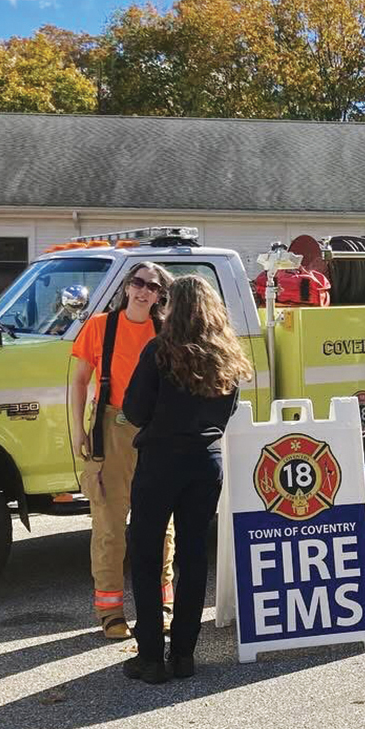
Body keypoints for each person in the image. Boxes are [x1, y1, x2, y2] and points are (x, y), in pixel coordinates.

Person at [121, 275, 252, 682]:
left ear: (173, 308)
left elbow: (136, 411)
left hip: (161, 460)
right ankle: (183, 654)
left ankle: (149, 657)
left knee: (145, 554)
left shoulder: (159, 351)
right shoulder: (225, 355)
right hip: (206, 461)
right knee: (193, 558)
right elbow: (230, 410)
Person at [69, 262, 176, 639]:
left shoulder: (165, 331)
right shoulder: (100, 326)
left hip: (155, 432)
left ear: (161, 295)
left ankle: (162, 607)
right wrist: (77, 432)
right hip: (110, 432)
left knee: (160, 528)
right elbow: (79, 380)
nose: (143, 291)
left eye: (152, 286)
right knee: (110, 527)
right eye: (137, 282)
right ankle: (110, 612)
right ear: (127, 287)